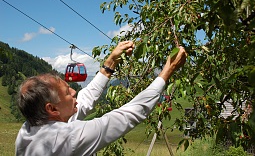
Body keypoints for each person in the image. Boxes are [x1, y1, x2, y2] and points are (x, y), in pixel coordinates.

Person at [15, 41, 187, 156]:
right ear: (51, 109)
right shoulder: (69, 138)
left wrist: (110, 63)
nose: (75, 93)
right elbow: (127, 115)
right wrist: (167, 71)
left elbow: (84, 100)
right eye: (68, 93)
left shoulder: (29, 130)